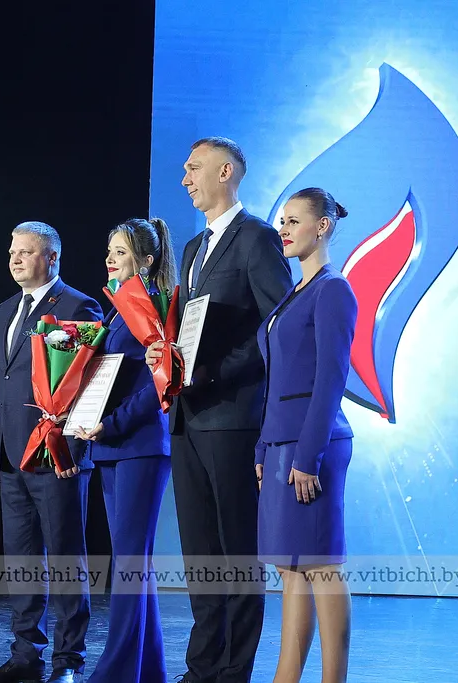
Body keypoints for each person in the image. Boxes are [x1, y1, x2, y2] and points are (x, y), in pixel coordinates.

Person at [146, 137, 292, 683]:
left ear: (226, 172)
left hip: (232, 417)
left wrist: (216, 371)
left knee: (236, 552)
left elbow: (276, 326)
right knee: (200, 552)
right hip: (187, 418)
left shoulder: (256, 238)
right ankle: (201, 668)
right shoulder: (191, 248)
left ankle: (233, 672)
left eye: (194, 168)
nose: (185, 179)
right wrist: (166, 357)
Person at [0, 222, 102, 683]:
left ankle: (68, 660)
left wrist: (71, 448)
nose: (15, 259)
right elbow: (0, 383)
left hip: (55, 456)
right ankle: (26, 656)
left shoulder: (77, 306)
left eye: (26, 252)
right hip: (11, 456)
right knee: (22, 560)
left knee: (65, 558)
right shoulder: (6, 309)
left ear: (52, 258)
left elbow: (88, 382)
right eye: (12, 252)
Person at [255, 188, 356, 683]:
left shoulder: (333, 289)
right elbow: (276, 378)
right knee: (291, 566)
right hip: (281, 442)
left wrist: (307, 456)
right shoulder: (295, 292)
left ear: (323, 226)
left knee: (319, 565)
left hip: (312, 445)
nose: (284, 230)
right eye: (282, 221)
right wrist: (263, 446)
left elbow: (330, 379)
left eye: (294, 221)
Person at [74, 218, 176, 683]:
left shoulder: (149, 307)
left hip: (139, 445)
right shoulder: (118, 309)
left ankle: (114, 672)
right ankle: (148, 671)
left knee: (130, 564)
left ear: (147, 260)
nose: (110, 259)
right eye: (109, 251)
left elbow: (158, 384)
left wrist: (111, 423)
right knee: (135, 563)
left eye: (121, 251)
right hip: (113, 447)